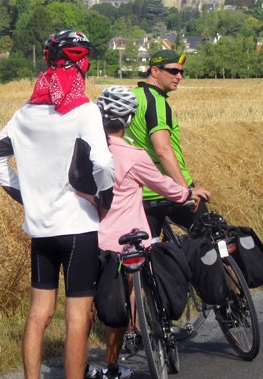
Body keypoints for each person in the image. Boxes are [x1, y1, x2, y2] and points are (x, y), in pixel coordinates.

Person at [0, 30, 114, 379]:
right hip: (78, 228)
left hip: (40, 229)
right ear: (82, 67)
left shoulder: (24, 114)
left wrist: (25, 193)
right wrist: (104, 198)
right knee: (76, 317)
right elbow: (102, 162)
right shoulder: (84, 110)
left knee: (39, 313)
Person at [82, 86, 210, 379]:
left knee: (90, 305)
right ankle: (117, 362)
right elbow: (165, 187)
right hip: (130, 240)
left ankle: (81, 363)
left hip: (95, 240)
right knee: (133, 288)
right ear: (128, 118)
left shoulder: (87, 151)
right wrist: (188, 191)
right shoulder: (133, 155)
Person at [124, 49, 211, 239]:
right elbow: (163, 149)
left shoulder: (132, 97)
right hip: (168, 186)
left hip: (140, 192)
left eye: (181, 72)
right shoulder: (156, 101)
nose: (179, 76)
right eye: (173, 71)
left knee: (148, 251)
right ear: (155, 71)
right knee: (210, 237)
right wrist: (186, 191)